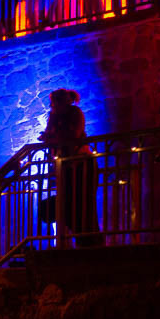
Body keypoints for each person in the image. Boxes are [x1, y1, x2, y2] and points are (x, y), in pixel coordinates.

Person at [40, 88, 101, 247]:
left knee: (83, 204)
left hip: (81, 165)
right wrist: (50, 136)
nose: (52, 106)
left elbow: (73, 135)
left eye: (55, 102)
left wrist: (52, 136)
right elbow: (49, 134)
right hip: (66, 166)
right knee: (69, 205)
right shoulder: (54, 117)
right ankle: (80, 241)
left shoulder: (74, 113)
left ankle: (90, 243)